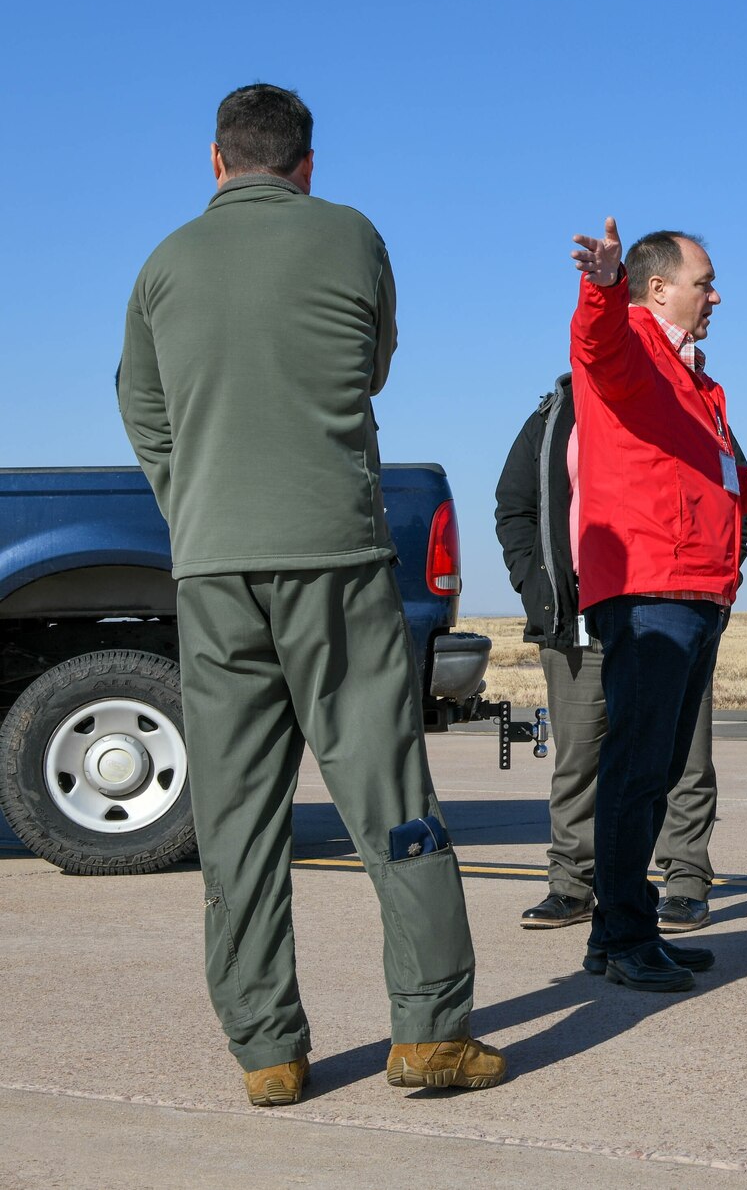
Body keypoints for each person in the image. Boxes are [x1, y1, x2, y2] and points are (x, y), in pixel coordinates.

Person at [116, 84, 504, 1106]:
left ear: (214, 162)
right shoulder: (351, 236)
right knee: (388, 796)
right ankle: (428, 1035)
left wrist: (198, 501)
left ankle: (268, 1053)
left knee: (236, 814)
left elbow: (143, 412)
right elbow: (367, 368)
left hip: (212, 568)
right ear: (307, 164)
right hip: (333, 556)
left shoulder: (162, 265)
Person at [567, 219, 747, 990]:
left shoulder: (697, 380)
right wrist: (602, 285)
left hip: (695, 588)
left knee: (655, 770)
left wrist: (744, 490)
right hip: (653, 587)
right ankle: (623, 936)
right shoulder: (629, 336)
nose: (716, 294)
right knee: (636, 766)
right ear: (658, 288)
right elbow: (596, 345)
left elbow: (693, 471)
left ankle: (626, 930)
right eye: (705, 280)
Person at [494, 374, 747, 933]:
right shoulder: (557, 412)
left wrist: (719, 576)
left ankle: (684, 882)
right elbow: (514, 505)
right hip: (579, 618)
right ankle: (572, 885)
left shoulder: (683, 400)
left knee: (682, 757)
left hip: (665, 615)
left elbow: (736, 497)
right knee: (578, 761)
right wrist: (539, 588)